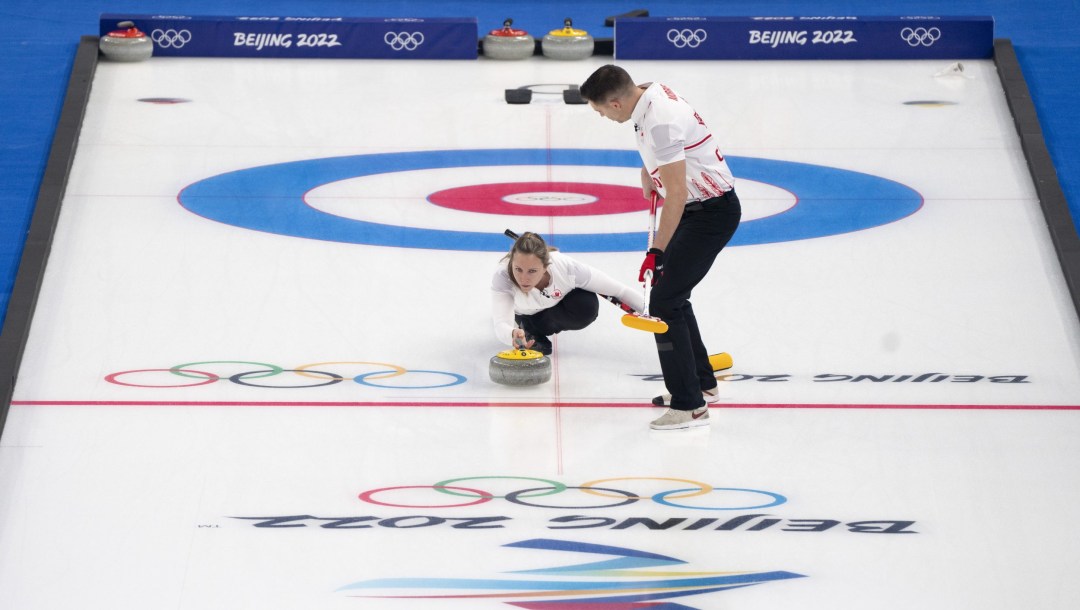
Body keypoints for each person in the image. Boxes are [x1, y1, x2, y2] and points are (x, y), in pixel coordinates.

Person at [579, 64, 741, 431]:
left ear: (617, 104)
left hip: (708, 213)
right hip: (698, 207)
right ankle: (702, 383)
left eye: (601, 110)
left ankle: (690, 406)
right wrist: (649, 170)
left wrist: (658, 252)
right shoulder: (648, 93)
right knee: (675, 298)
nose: (602, 116)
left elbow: (678, 195)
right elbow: (665, 155)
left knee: (664, 303)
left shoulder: (661, 123)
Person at [492, 231, 644, 355]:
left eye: (532, 271)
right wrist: (512, 333)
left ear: (546, 267)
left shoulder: (567, 268)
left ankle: (538, 326)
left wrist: (653, 311)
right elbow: (501, 324)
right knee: (535, 339)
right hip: (527, 315)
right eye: (518, 269)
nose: (523, 278)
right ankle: (530, 329)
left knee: (586, 305)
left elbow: (619, 291)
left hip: (556, 308)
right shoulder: (503, 276)